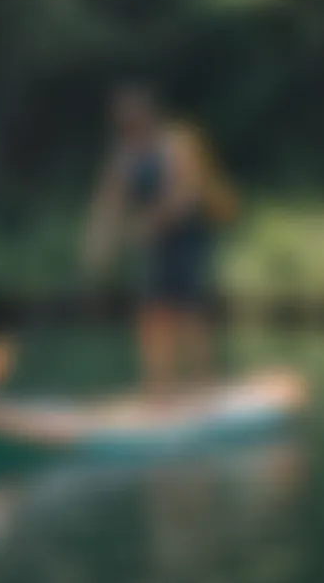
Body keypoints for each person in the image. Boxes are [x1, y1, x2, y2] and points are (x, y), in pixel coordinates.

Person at [83, 83, 238, 397]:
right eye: (121, 118)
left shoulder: (173, 144)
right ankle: (159, 391)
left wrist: (149, 223)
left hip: (189, 236)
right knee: (152, 312)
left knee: (188, 310)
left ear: (147, 116)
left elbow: (187, 194)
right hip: (158, 242)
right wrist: (97, 248)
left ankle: (203, 387)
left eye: (132, 116)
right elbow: (109, 204)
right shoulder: (124, 155)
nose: (126, 124)